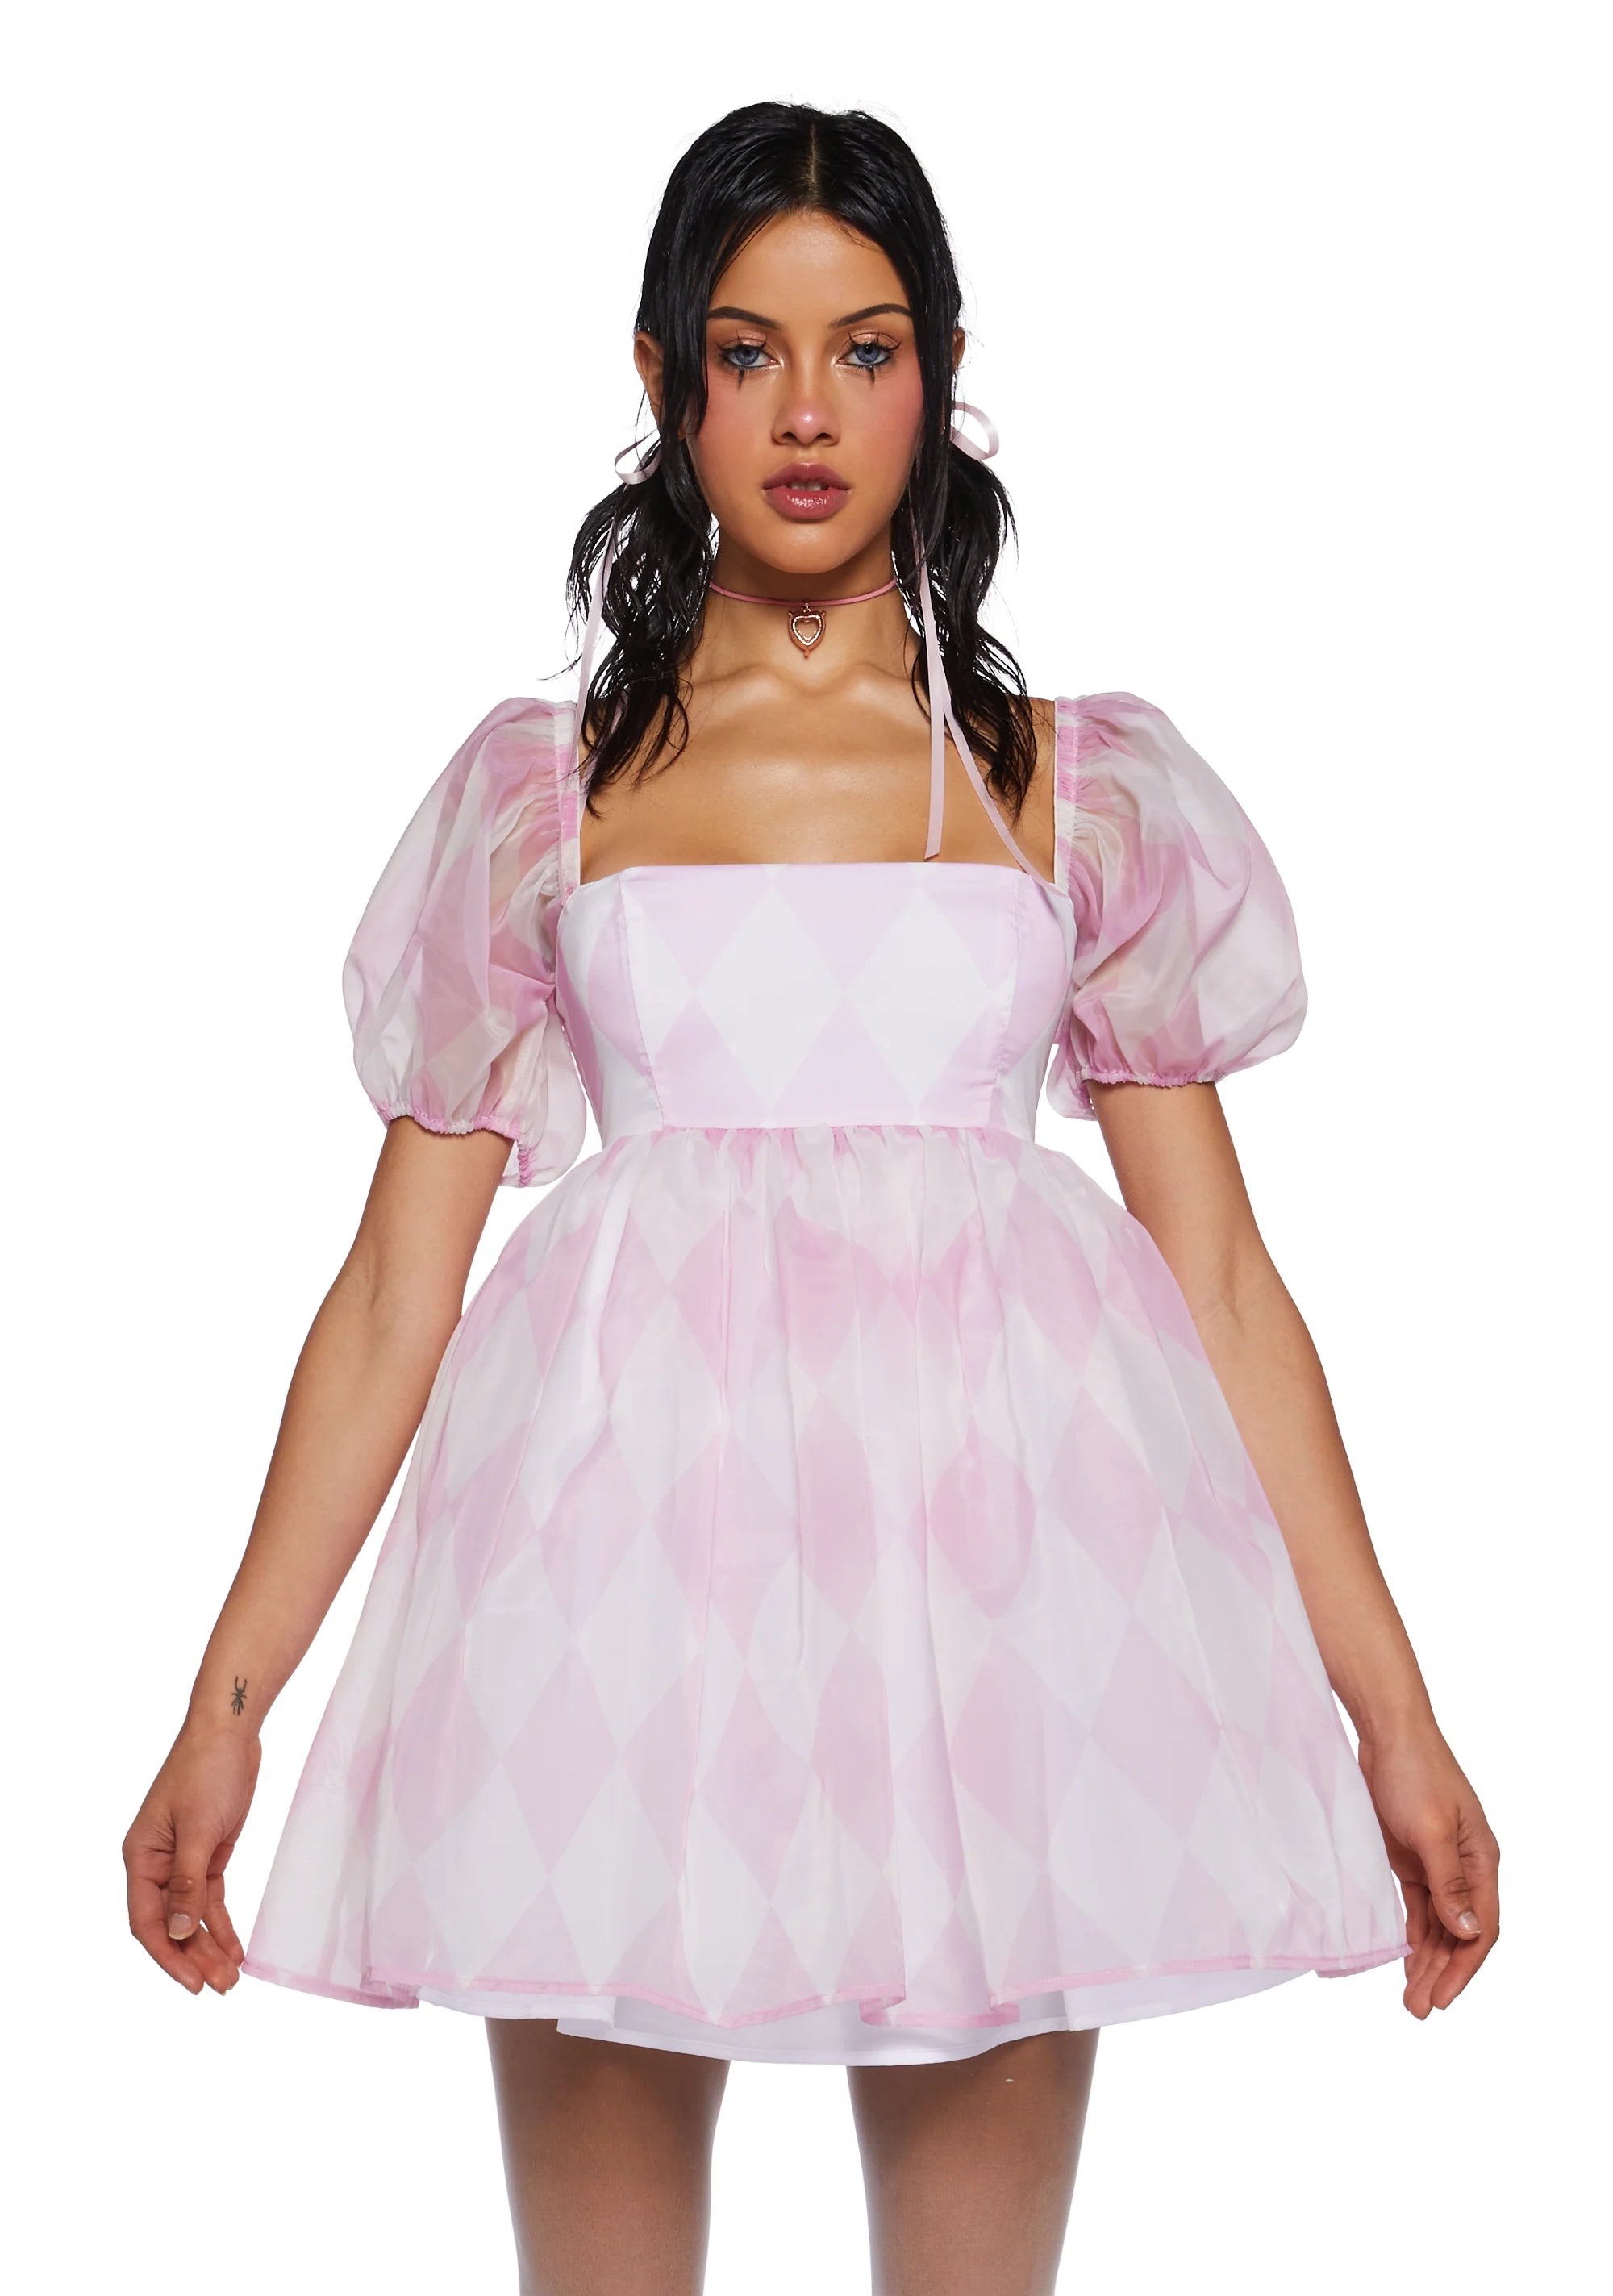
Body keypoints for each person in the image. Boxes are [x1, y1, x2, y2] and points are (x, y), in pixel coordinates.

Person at [123, 100, 1499, 2296]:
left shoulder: (1064, 786)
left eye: (865, 351)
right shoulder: (550, 792)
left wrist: (1395, 1718)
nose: (806, 414)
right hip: (608, 1604)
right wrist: (226, 1711)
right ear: (664, 376)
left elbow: (1223, 1284)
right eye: (748, 352)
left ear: (938, 372)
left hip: (997, 1611)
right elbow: (393, 1296)